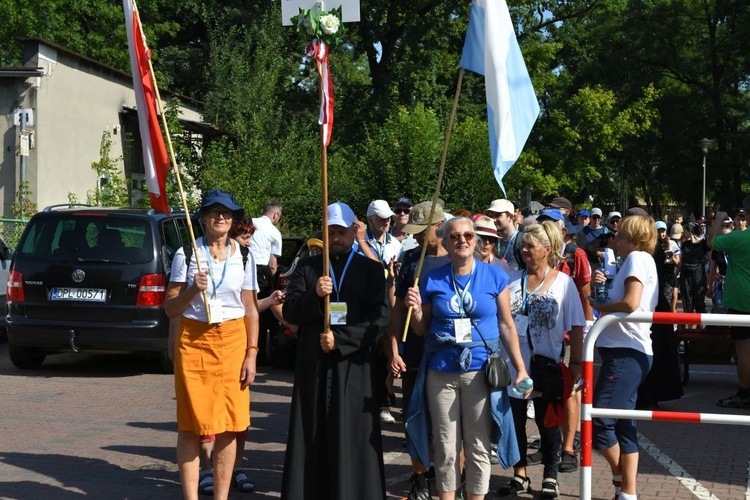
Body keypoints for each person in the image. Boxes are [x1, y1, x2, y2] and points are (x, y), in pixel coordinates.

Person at [404, 216, 530, 500]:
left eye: (468, 236)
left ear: (477, 241)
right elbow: (421, 328)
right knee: (446, 446)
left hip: (480, 371)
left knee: (478, 445)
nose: (462, 241)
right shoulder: (431, 278)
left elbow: (507, 325)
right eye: (455, 237)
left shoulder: (495, 276)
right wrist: (416, 310)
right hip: (441, 371)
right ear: (446, 243)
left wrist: (520, 368)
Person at [281, 202, 389, 500]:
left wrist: (341, 340)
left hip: (353, 364)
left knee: (351, 432)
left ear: (355, 231)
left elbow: (380, 318)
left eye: (342, 231)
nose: (336, 237)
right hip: (313, 362)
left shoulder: (370, 269)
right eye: (331, 232)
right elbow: (290, 311)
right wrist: (315, 296)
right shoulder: (308, 267)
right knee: (311, 430)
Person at [165, 189, 261, 500]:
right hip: (194, 341)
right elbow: (170, 308)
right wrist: (193, 289)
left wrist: (252, 354)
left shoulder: (245, 256)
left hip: (233, 342)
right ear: (203, 218)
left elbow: (250, 309)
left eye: (227, 213)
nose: (220, 217)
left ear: (233, 220)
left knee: (230, 425)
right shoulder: (187, 253)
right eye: (214, 212)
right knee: (191, 425)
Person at [498, 222, 585, 499]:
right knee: (515, 423)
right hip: (513, 366)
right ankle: (520, 475)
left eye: (530, 246)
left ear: (547, 250)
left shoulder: (564, 283)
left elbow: (576, 326)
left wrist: (577, 364)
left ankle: (551, 475)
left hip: (546, 366)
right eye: (522, 245)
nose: (524, 250)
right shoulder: (511, 280)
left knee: (549, 423)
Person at [587, 215, 658, 500]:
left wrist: (601, 306)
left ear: (633, 237)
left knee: (601, 419)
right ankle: (627, 493)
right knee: (624, 423)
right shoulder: (637, 260)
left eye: (619, 235)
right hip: (628, 350)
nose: (614, 240)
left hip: (627, 351)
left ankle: (621, 481)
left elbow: (631, 302)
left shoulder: (637, 258)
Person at [388, 201, 450, 500]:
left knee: (447, 419)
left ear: (437, 226)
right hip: (413, 350)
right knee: (413, 414)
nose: (414, 237)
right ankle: (419, 478)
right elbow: (398, 309)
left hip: (447, 350)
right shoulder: (412, 259)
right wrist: (394, 349)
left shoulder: (458, 258)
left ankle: (448, 476)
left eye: (420, 231)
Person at [362, 199, 403, 424]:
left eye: (388, 217)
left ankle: (384, 403)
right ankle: (367, 400)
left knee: (387, 352)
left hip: (388, 302)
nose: (386, 221)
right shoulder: (359, 242)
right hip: (365, 304)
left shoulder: (395, 244)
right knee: (367, 353)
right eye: (381, 218)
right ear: (370, 220)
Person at [709, 197, 750, 408]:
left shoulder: (738, 238)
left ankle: (744, 393)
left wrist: (719, 218)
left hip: (743, 302)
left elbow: (712, 242)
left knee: (743, 348)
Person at [250, 201, 283, 363]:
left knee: (247, 307)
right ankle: (261, 353)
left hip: (243, 267)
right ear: (275, 215)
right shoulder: (274, 232)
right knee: (262, 311)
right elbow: (272, 264)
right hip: (261, 271)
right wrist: (272, 282)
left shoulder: (250, 223)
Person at [678, 222, 710, 315]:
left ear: (690, 231)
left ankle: (701, 327)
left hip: (698, 273)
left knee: (699, 300)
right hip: (685, 274)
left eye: (685, 231)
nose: (683, 233)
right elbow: (681, 260)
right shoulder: (685, 244)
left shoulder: (703, 244)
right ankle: (689, 326)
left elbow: (710, 259)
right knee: (687, 300)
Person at [486, 199, 524, 270]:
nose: (493, 219)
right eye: (491, 216)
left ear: (511, 216)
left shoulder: (522, 241)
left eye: (498, 215)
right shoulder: (491, 241)